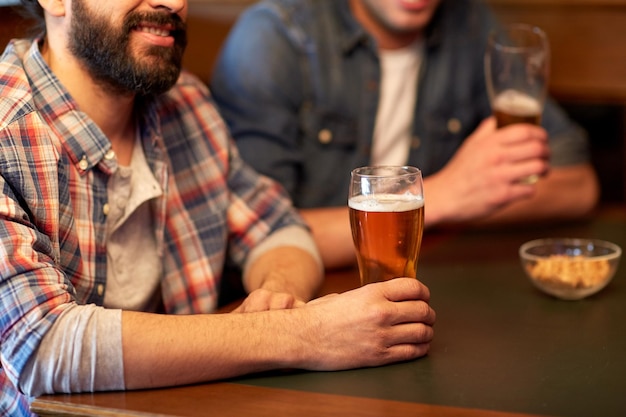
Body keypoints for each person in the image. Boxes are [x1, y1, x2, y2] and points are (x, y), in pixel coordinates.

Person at [0, 0, 436, 415]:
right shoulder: (8, 129)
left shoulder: (186, 103)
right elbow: (42, 345)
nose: (174, 3)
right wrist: (298, 334)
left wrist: (276, 291)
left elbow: (279, 228)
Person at [210, 0, 600, 269]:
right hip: (311, 302)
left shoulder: (467, 24)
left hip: (425, 285)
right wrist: (443, 196)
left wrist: (464, 200)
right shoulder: (274, 38)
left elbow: (578, 185)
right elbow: (253, 237)